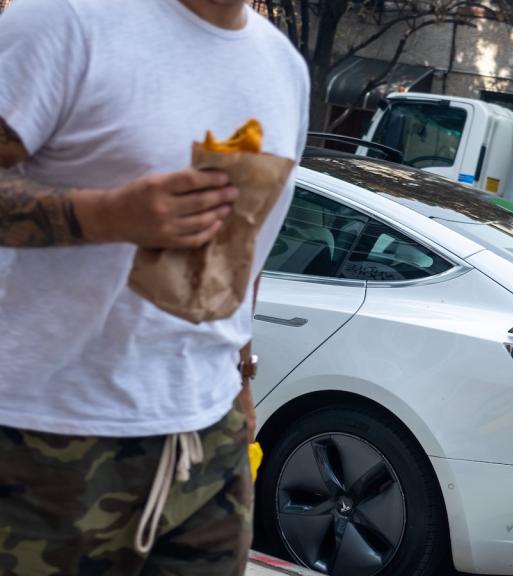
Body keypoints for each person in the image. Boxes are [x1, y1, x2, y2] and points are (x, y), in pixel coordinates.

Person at [0, 0, 309, 573]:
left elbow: (248, 244)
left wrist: (242, 379)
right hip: (40, 433)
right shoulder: (66, 21)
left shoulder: (284, 67)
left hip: (207, 436)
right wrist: (106, 216)